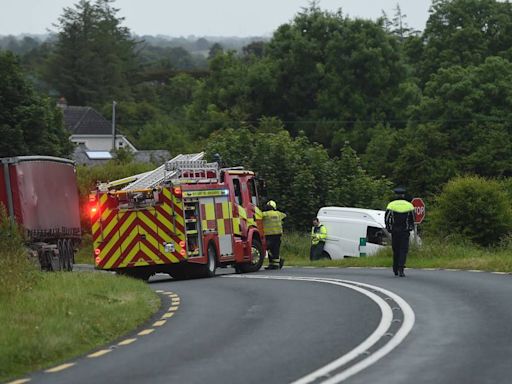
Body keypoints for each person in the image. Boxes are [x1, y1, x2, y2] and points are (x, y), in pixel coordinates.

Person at [385, 187, 415, 277]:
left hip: (394, 231)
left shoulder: (391, 205)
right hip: (405, 231)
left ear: (396, 195)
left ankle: (395, 268)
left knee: (396, 249)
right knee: (403, 250)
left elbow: (387, 218)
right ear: (403, 195)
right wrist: (410, 228)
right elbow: (413, 219)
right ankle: (401, 268)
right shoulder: (409, 205)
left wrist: (389, 228)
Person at [262, 200, 287, 270]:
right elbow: (285, 215)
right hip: (278, 235)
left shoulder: (265, 214)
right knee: (275, 250)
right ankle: (275, 264)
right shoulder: (278, 214)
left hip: (269, 235)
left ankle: (275, 263)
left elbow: (258, 216)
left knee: (267, 249)